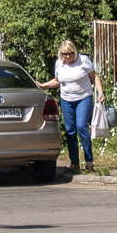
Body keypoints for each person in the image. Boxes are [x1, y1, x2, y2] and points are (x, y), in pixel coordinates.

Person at [38, 39, 103, 173]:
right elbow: (58, 81)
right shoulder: (59, 64)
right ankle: (74, 163)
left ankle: (89, 162)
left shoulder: (83, 60)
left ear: (75, 52)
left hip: (83, 98)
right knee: (70, 131)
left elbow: (94, 76)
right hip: (67, 100)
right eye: (64, 54)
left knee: (82, 126)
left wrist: (100, 92)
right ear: (61, 54)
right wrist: (43, 85)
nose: (68, 57)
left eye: (70, 54)